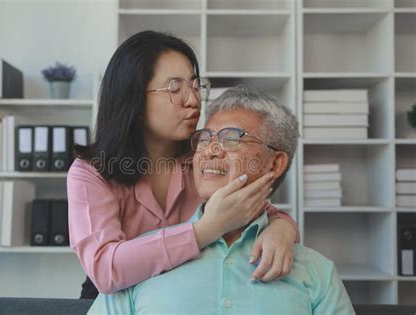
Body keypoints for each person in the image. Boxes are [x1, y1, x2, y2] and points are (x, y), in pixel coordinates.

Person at [67, 31, 300, 298]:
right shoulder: (90, 173)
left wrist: (283, 230)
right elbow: (105, 270)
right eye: (175, 89)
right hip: (113, 298)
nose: (193, 100)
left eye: (195, 85)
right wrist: (207, 229)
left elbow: (261, 209)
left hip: (182, 296)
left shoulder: (204, 158)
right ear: (133, 98)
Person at [87, 86, 355, 315]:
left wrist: (283, 227)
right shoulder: (142, 260)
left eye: (230, 138)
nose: (209, 151)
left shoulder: (316, 272)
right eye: (204, 138)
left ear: (275, 163)